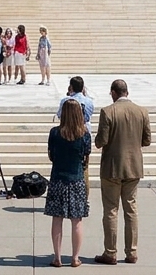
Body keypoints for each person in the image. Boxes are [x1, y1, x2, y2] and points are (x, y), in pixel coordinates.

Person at [93, 80, 151, 265]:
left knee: (111, 210)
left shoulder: (107, 111)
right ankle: (131, 252)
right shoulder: (142, 111)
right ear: (127, 92)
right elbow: (146, 140)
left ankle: (110, 252)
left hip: (112, 167)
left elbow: (101, 141)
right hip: (133, 167)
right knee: (131, 210)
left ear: (113, 92)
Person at [47, 98, 92, 267]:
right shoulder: (84, 134)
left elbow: (51, 155)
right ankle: (74, 258)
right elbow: (86, 155)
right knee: (77, 220)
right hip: (76, 178)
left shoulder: (55, 133)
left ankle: (57, 257)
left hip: (58, 178)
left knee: (57, 219)